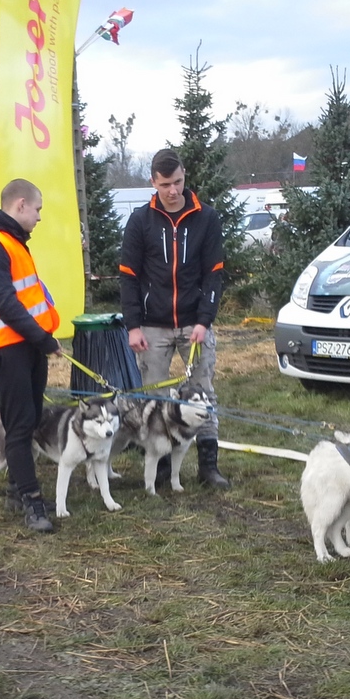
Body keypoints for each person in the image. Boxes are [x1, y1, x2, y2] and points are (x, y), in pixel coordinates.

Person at [119, 148, 229, 489]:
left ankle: (208, 466)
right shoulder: (140, 221)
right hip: (152, 325)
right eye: (165, 184)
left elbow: (214, 274)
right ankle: (161, 464)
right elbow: (128, 276)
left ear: (184, 177)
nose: (173, 190)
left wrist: (204, 321)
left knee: (204, 393)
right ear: (153, 182)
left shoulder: (206, 218)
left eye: (178, 182)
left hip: (195, 322)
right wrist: (133, 326)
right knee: (153, 397)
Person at [0, 178, 62, 532]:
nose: (39, 217)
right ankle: (32, 503)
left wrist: (40, 339)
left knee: (29, 420)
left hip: (26, 345)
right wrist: (42, 338)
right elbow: (3, 301)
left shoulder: (11, 242)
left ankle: (19, 490)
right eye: (37, 209)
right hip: (7, 349)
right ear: (20, 205)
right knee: (18, 426)